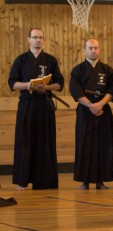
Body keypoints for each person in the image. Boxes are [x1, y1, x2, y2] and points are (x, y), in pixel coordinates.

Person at [8, 28, 64, 191]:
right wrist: (29, 85)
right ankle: (22, 181)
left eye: (41, 37)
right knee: (25, 141)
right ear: (28, 40)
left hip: (44, 104)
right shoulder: (21, 60)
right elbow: (12, 83)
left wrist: (46, 86)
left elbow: (59, 84)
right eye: (35, 37)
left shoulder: (50, 60)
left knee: (45, 142)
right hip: (26, 104)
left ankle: (45, 181)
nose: (38, 40)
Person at [69, 38, 113, 190]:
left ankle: (100, 181)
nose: (93, 50)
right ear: (84, 50)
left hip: (104, 111)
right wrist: (91, 105)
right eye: (90, 48)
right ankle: (85, 181)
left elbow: (111, 90)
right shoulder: (78, 70)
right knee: (85, 144)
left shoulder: (108, 70)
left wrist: (100, 104)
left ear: (100, 50)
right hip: (85, 111)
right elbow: (76, 92)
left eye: (96, 48)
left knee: (104, 145)